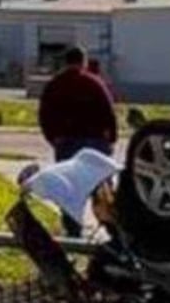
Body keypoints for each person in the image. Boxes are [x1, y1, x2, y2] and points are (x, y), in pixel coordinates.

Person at [38, 46, 118, 237]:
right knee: (102, 191)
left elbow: (44, 115)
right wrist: (111, 139)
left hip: (67, 143)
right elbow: (108, 111)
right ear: (84, 61)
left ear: (65, 62)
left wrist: (54, 138)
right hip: (95, 143)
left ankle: (73, 232)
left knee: (70, 191)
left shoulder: (55, 85)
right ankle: (113, 231)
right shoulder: (94, 83)